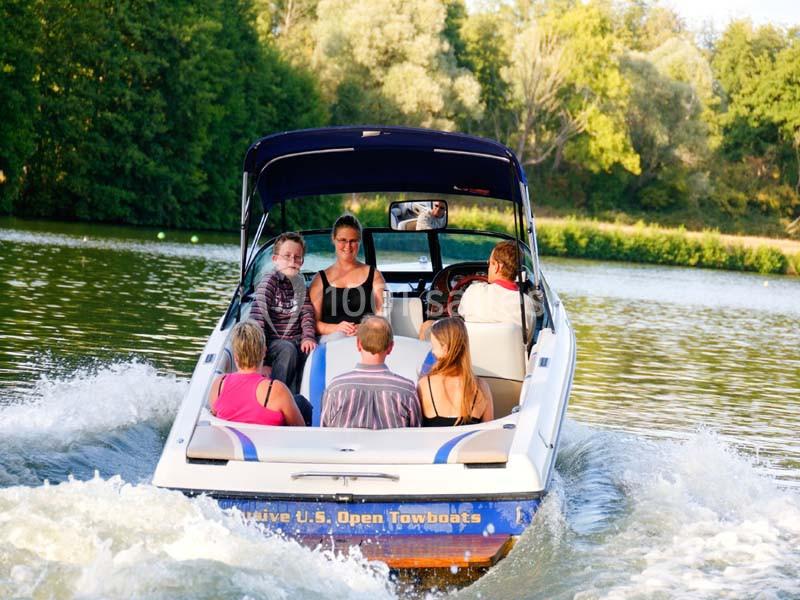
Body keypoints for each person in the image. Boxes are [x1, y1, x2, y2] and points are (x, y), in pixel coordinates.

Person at [321, 316, 421, 429]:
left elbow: (325, 431)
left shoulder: (336, 388)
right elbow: (416, 433)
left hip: (348, 446)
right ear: (390, 347)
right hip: (391, 446)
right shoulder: (407, 390)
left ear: (358, 344)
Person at [249, 232, 316, 393]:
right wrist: (262, 362)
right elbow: (257, 321)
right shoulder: (269, 282)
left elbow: (307, 313)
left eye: (297, 257)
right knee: (287, 350)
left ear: (302, 261)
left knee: (313, 349)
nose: (292, 261)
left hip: (295, 339)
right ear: (275, 259)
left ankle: (302, 398)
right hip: (272, 343)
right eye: (287, 256)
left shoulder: (300, 282)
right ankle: (275, 394)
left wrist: (308, 337)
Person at [208, 320, 306, 427]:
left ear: (235, 356)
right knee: (301, 403)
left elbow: (213, 417)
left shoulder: (219, 384)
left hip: (232, 441)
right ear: (264, 352)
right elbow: (300, 429)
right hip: (268, 442)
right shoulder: (276, 390)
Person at [309, 214, 386, 343]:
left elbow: (383, 315)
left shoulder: (374, 275)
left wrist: (364, 328)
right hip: (330, 341)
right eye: (342, 240)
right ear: (333, 239)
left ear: (359, 242)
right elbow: (313, 323)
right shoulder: (320, 279)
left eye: (353, 241)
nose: (348, 246)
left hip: (366, 340)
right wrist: (337, 328)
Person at [417, 317, 493, 426]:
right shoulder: (481, 387)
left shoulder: (424, 385)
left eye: (434, 346)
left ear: (445, 349)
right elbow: (488, 435)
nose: (432, 352)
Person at [456, 240, 534, 330]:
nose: (488, 268)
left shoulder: (473, 292)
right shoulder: (526, 303)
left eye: (489, 263)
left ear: (497, 266)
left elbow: (461, 313)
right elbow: (528, 337)